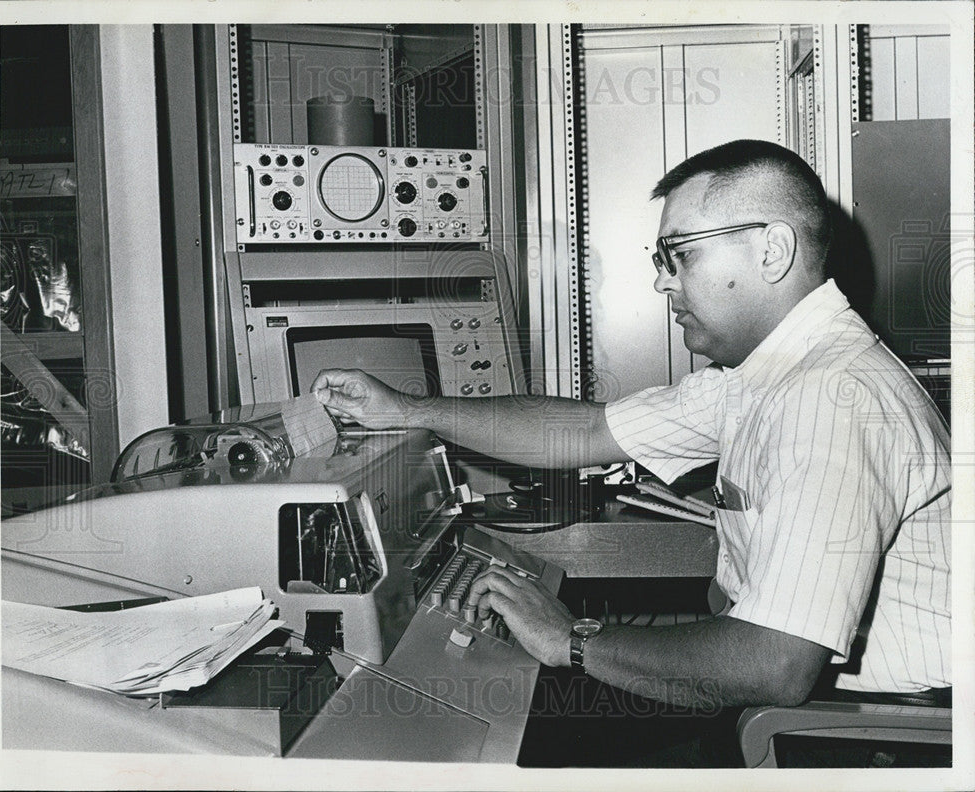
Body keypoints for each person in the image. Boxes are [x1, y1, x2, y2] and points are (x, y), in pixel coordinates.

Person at [311, 140, 951, 719]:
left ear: (773, 250)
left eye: (681, 255)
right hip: (802, 704)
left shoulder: (828, 400)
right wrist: (411, 410)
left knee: (505, 736)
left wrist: (571, 639)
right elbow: (584, 432)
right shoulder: (766, 374)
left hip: (853, 730)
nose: (661, 280)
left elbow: (774, 665)